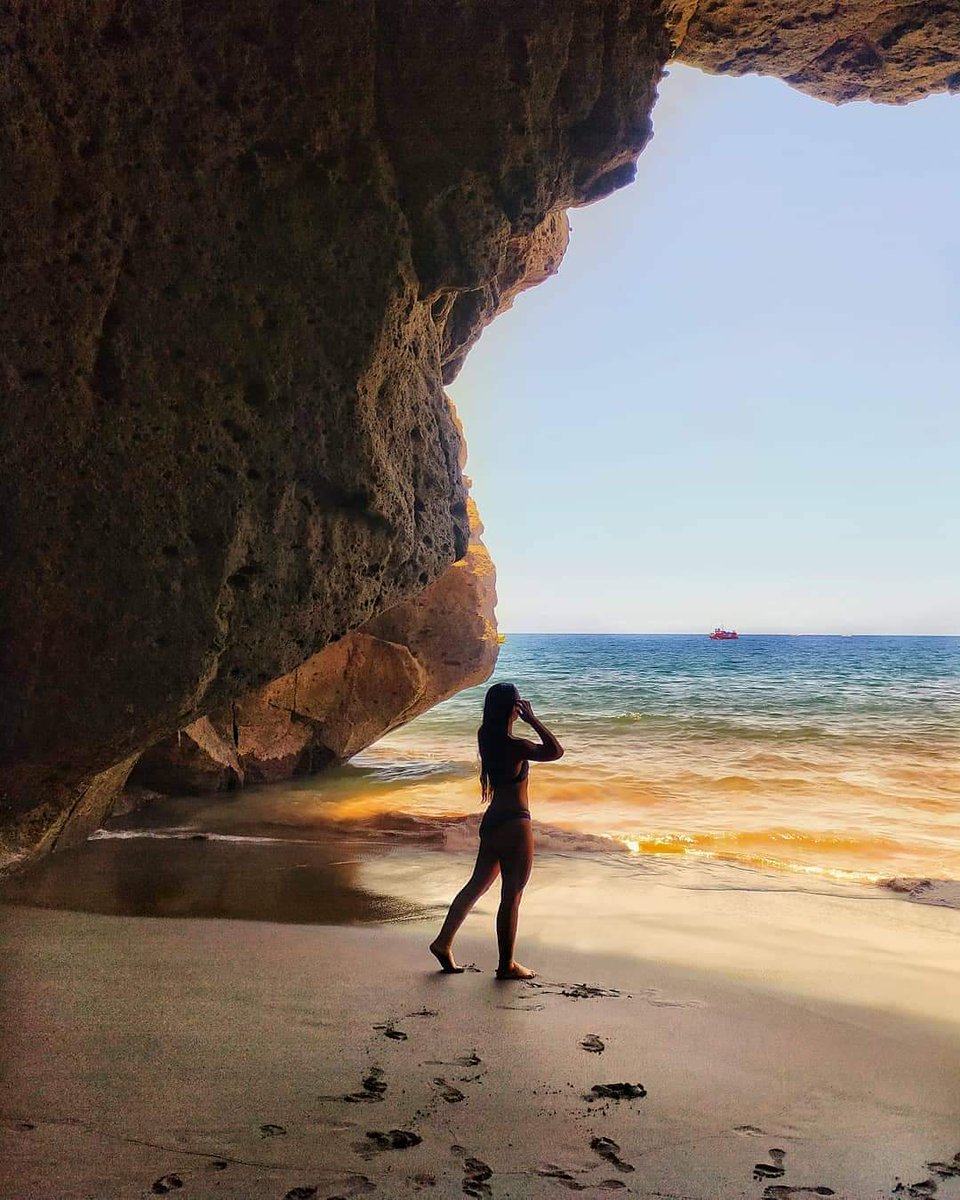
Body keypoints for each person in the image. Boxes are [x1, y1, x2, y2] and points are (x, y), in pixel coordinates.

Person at [429, 681, 563, 979]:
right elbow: (555, 751)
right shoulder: (516, 747)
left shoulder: (485, 738)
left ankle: (443, 941)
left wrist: (517, 717)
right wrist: (533, 719)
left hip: (492, 823)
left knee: (476, 885)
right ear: (514, 708)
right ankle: (506, 965)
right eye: (518, 703)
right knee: (512, 894)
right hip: (515, 824)